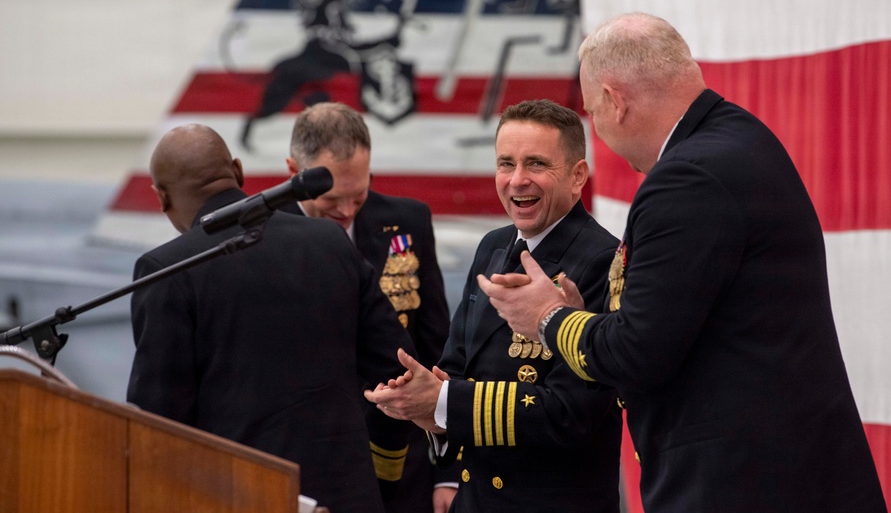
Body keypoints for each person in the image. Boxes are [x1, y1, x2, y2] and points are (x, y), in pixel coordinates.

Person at [480, 13, 888, 512]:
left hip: (740, 485)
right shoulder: (740, 139)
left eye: (593, 111)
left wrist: (546, 318)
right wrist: (584, 320)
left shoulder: (686, 179)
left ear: (615, 100)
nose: (600, 126)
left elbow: (639, 353)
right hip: (782, 470)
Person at [127, 124, 414, 511]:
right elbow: (398, 369)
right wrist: (379, 475)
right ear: (239, 171)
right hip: (347, 494)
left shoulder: (166, 269)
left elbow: (156, 423)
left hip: (239, 496)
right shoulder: (330, 242)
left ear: (161, 197)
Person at [366, 99, 622, 513]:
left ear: (577, 177)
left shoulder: (602, 261)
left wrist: (444, 401)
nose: (517, 180)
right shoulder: (494, 246)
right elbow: (457, 364)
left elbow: (573, 413)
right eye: (506, 164)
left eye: (536, 164)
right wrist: (421, 401)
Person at [284, 102, 450, 513]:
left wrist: (449, 468)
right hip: (305, 460)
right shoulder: (260, 237)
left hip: (399, 461)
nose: (345, 211)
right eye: (332, 199)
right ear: (293, 172)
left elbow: (439, 346)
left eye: (358, 195)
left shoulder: (407, 221)